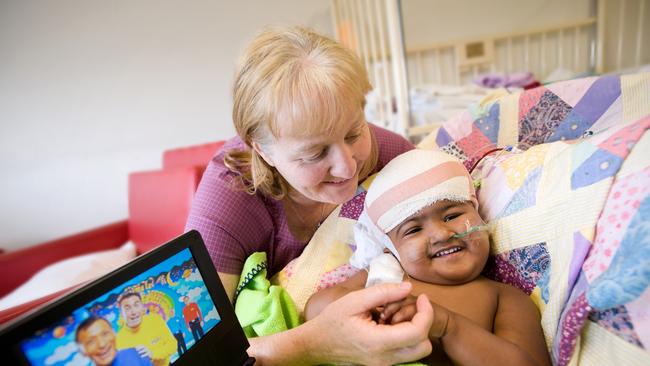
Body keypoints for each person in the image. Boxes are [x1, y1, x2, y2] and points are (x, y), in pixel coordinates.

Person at [184, 26, 438, 364]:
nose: (347, 168)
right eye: (314, 154)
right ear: (264, 151)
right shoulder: (229, 196)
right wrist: (317, 344)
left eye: (353, 132)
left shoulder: (391, 156)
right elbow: (198, 352)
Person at [305, 149, 551, 366]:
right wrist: (370, 308)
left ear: (479, 215)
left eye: (452, 216)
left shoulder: (504, 298)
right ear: (392, 249)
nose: (441, 234)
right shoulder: (384, 273)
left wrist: (447, 327)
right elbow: (316, 309)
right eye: (413, 230)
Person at [115, 292, 177, 366]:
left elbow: (173, 345)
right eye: (127, 308)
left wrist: (153, 354)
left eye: (136, 305)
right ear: (121, 313)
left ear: (142, 307)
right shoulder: (118, 340)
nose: (133, 312)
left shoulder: (155, 319)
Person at [75, 316, 152, 366]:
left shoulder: (137, 354)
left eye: (105, 334)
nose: (102, 344)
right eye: (90, 341)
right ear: (83, 351)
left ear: (114, 333)